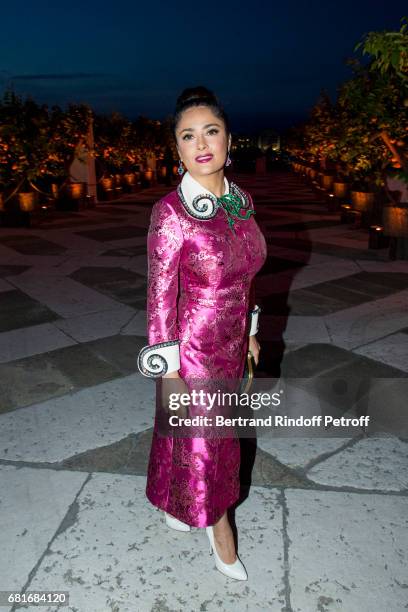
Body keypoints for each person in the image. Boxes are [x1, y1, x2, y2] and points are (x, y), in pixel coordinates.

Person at [137, 86, 267, 580]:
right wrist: (167, 370)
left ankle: (176, 503)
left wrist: (251, 329)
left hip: (233, 342)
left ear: (229, 139)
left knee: (194, 435)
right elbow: (158, 296)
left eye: (210, 130)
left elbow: (247, 272)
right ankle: (221, 533)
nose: (201, 143)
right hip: (191, 347)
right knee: (209, 441)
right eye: (188, 135)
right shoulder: (171, 213)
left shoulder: (240, 202)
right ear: (177, 150)